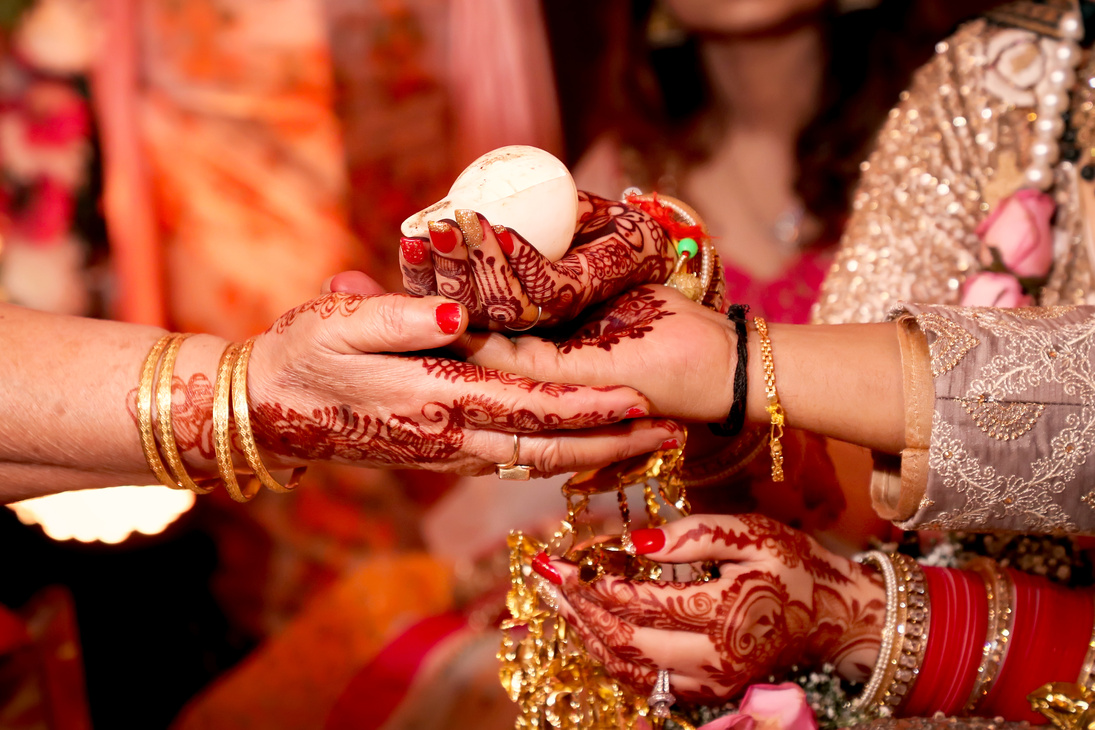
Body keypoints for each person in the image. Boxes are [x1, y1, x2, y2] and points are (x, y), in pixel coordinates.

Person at [389, 0, 1095, 722]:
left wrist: (728, 366)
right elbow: (840, 485)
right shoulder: (997, 72)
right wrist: (709, 395)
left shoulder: (948, 99)